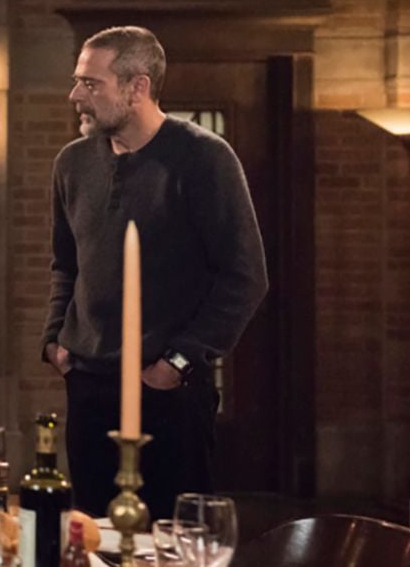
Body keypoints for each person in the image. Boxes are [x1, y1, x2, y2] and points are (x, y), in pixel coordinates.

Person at [42, 26, 269, 519]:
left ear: (137, 87)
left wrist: (178, 362)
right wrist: (55, 340)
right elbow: (65, 264)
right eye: (78, 81)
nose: (75, 95)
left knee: (171, 539)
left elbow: (245, 276)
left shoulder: (204, 158)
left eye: (91, 84)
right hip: (88, 384)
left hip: (167, 389)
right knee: (94, 534)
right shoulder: (72, 163)